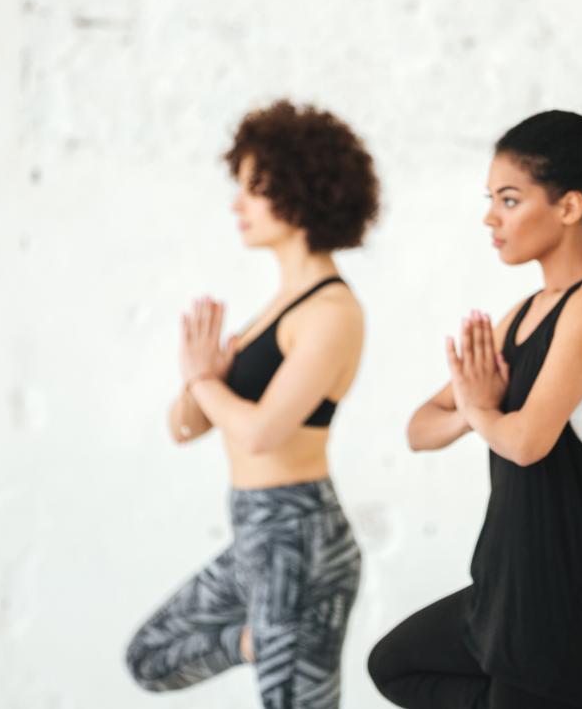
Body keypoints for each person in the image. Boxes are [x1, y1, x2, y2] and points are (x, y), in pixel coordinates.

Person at [367, 89, 582, 709]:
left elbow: (529, 442)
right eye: (491, 201)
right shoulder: (524, 315)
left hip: (565, 609)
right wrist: (473, 410)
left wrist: (479, 409)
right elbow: (419, 428)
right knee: (393, 665)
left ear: (569, 206)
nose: (491, 218)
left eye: (509, 201)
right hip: (502, 595)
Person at [125, 100, 380, 709]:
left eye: (255, 188)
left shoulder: (332, 312)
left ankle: (281, 643)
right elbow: (184, 428)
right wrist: (201, 382)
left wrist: (203, 380)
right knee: (150, 658)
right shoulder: (276, 307)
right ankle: (264, 643)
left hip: (300, 536)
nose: (237, 205)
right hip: (256, 534)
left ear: (301, 192)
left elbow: (263, 432)